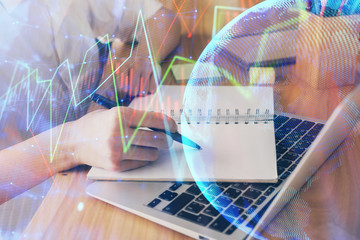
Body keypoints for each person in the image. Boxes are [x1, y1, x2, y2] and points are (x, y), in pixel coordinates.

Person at [0, 0, 181, 204]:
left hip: (103, 174)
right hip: (37, 210)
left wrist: (143, 57)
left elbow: (162, 17)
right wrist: (72, 142)